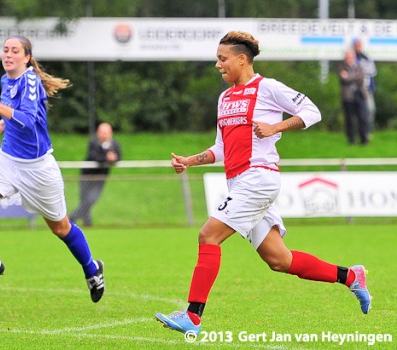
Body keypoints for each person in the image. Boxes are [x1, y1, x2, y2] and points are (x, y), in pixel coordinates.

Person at [155, 31, 371, 337]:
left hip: (258, 178)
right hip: (240, 181)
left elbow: (312, 112)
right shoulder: (225, 97)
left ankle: (193, 316)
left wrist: (276, 126)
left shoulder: (267, 87)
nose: (218, 65)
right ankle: (351, 277)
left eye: (222, 59)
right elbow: (221, 148)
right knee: (280, 260)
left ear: (241, 59)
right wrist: (191, 160)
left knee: (208, 236)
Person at [0, 35, 105, 303]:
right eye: (5, 50)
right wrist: (1, 124)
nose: (7, 54)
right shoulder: (6, 80)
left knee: (61, 228)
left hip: (38, 168)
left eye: (14, 51)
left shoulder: (30, 80)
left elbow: (29, 121)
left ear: (27, 57)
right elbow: (18, 114)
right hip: (7, 159)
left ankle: (92, 269)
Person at [70, 122, 122, 227]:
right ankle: (88, 224)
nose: (104, 134)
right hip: (87, 176)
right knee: (85, 200)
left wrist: (114, 158)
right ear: (97, 133)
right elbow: (94, 156)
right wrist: (107, 158)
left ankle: (71, 218)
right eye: (102, 132)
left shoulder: (115, 144)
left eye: (106, 132)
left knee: (92, 199)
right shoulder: (93, 143)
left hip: (100, 177)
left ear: (111, 133)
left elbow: (118, 156)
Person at [339, 49, 370, 145]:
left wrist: (349, 77)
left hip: (360, 95)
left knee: (363, 118)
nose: (349, 59)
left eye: (351, 57)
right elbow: (343, 80)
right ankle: (351, 140)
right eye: (348, 57)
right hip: (348, 97)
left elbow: (360, 78)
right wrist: (353, 77)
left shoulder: (359, 67)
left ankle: (364, 139)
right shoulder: (341, 67)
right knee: (350, 119)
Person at [353, 39, 377, 133]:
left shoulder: (366, 57)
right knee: (358, 112)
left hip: (368, 89)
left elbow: (373, 71)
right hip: (356, 89)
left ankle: (368, 130)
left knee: (371, 109)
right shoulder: (353, 57)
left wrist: (363, 70)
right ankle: (359, 132)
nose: (358, 47)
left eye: (360, 45)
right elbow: (355, 72)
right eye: (357, 45)